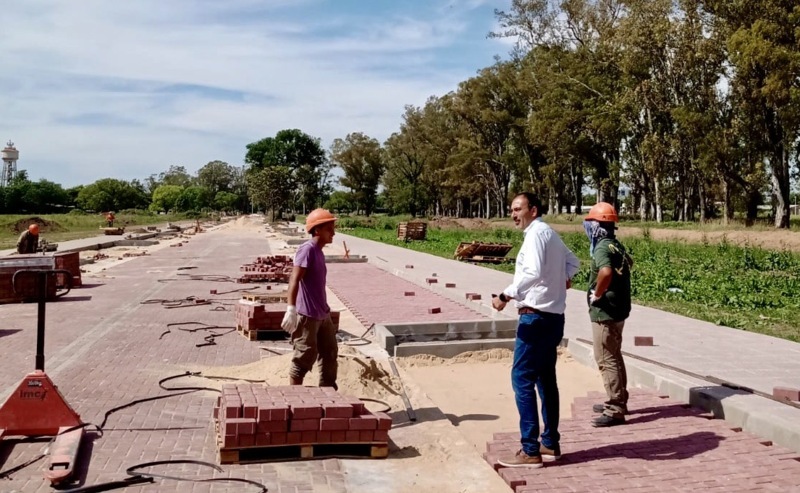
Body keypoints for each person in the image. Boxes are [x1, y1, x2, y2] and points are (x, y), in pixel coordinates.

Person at [493, 192, 580, 468]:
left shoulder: (534, 235)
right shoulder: (550, 234)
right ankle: (550, 443)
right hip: (554, 319)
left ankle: (530, 449)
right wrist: (562, 279)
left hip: (534, 319)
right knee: (545, 380)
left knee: (522, 379)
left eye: (518, 209)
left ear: (533, 209)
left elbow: (530, 273)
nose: (513, 214)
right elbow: (573, 263)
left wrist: (505, 296)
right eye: (511, 210)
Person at [584, 202, 633, 427]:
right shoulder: (615, 245)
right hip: (619, 309)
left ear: (597, 225)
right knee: (615, 354)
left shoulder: (602, 247)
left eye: (590, 222)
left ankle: (615, 408)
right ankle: (619, 398)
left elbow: (605, 271)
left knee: (606, 358)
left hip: (606, 311)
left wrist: (597, 292)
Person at [281, 208, 339, 389]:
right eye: (330, 229)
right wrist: (291, 309)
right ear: (317, 230)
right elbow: (294, 279)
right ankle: (295, 397)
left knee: (329, 353)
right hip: (307, 316)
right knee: (305, 356)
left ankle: (328, 395)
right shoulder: (307, 250)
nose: (334, 233)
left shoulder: (319, 251)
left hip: (323, 314)